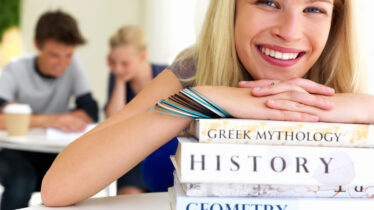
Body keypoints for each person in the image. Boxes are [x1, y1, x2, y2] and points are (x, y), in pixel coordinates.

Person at [41, 0, 372, 206]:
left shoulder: (351, 91)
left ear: (335, 22)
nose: (290, 31)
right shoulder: (194, 71)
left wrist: (363, 109)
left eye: (314, 9)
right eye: (268, 2)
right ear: (233, 8)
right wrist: (202, 100)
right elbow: (58, 187)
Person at [0, 10, 98, 209]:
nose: (62, 63)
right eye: (54, 55)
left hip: (51, 150)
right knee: (21, 181)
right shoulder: (14, 70)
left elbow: (89, 113)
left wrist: (24, 119)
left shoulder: (73, 66)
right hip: (12, 151)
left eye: (68, 55)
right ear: (37, 45)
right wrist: (54, 120)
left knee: (73, 181)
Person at [105, 26, 169, 194]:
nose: (118, 68)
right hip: (132, 157)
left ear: (142, 56)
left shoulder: (166, 75)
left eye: (125, 63)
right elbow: (113, 120)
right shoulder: (118, 77)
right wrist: (119, 80)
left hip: (161, 153)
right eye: (114, 62)